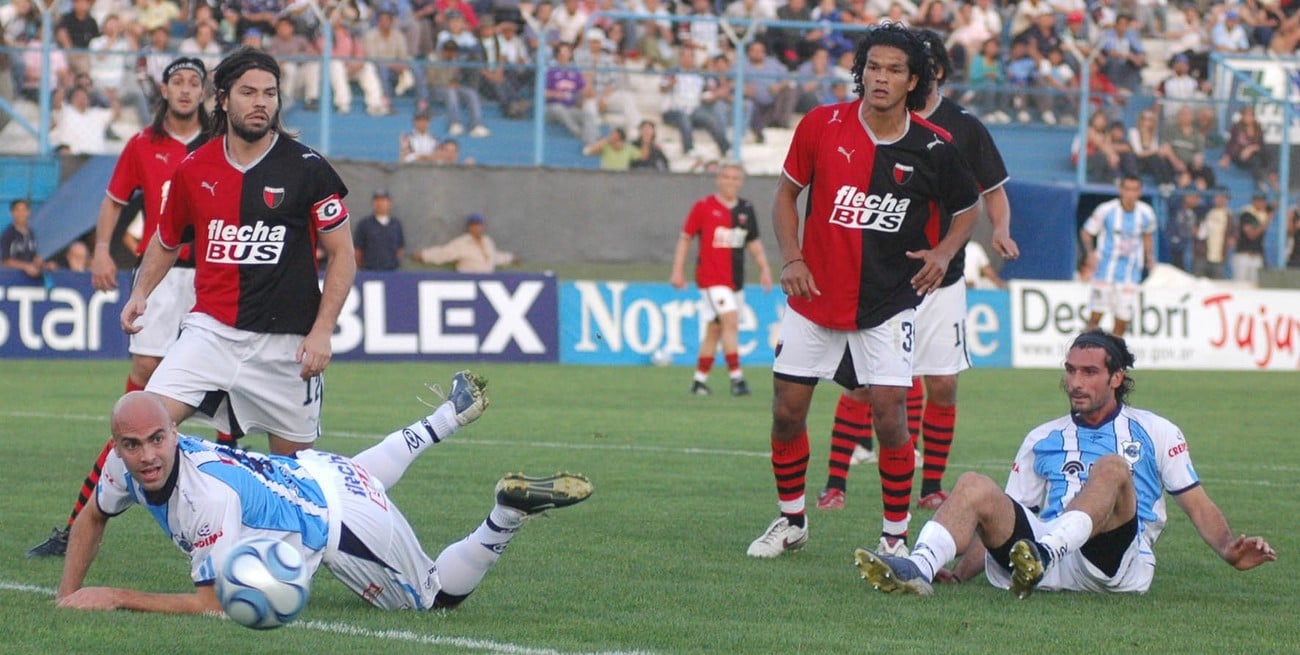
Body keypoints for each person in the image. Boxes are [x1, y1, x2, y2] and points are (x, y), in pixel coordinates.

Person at [56, 381, 594, 614]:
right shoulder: (119, 466)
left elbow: (212, 606)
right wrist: (67, 594)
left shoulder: (207, 501)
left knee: (434, 599)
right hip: (322, 470)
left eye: (157, 439)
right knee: (359, 476)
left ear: (175, 433)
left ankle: (505, 515)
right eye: (133, 445)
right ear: (117, 448)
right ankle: (446, 416)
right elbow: (90, 518)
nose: (147, 455)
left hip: (344, 523)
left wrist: (116, 595)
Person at [747, 24, 981, 559]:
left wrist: (944, 253)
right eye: (873, 66)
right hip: (814, 294)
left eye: (894, 70)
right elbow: (786, 196)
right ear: (861, 71)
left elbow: (967, 210)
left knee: (891, 416)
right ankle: (791, 522)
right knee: (786, 410)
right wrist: (792, 257)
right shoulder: (820, 124)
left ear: (913, 80)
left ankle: (894, 537)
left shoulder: (933, 146)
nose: (881, 77)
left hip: (887, 301)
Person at [855, 330, 1277, 597]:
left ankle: (1043, 552)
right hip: (1034, 560)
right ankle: (919, 568)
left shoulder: (1156, 431)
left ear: (1116, 378)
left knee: (1112, 468)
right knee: (973, 485)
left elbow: (1197, 504)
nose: (1076, 382)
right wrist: (964, 573)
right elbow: (1000, 514)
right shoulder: (1043, 437)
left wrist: (1228, 550)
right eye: (1071, 371)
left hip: (1113, 562)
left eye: (1090, 372)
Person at [815, 30, 1018, 529]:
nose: (896, 75)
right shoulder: (866, 122)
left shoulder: (962, 130)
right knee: (867, 386)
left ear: (932, 74)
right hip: (883, 280)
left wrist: (1002, 231)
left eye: (910, 65)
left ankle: (931, 488)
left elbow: (989, 191)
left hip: (941, 281)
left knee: (942, 384)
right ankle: (835, 483)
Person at [120, 47, 357, 459]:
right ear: (224, 99)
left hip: (286, 344)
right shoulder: (194, 168)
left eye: (269, 92)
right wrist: (141, 292)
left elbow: (343, 256)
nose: (261, 101)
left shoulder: (309, 168)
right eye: (248, 92)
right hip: (211, 333)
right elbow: (166, 238)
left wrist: (322, 331)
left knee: (296, 474)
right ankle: (90, 520)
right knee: (142, 428)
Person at [23, 58, 213, 561]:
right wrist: (103, 248)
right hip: (160, 274)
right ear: (165, 89)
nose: (187, 90)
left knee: (228, 398)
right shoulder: (142, 145)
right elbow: (112, 200)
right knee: (143, 391)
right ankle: (77, 525)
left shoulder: (220, 142)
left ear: (205, 91)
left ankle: (227, 523)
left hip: (215, 275)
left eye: (196, 83)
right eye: (179, 82)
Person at [669, 162, 772, 397]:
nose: (730, 182)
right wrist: (678, 271)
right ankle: (737, 379)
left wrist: (764, 268)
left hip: (735, 280)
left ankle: (698, 382)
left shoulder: (746, 209)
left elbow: (753, 242)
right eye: (726, 177)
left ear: (741, 182)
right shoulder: (704, 207)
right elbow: (685, 238)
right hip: (711, 279)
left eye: (735, 178)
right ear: (718, 180)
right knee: (731, 321)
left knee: (715, 330)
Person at [1080, 175, 1156, 338]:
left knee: (1122, 322)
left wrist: (1149, 256)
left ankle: (1113, 359)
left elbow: (1148, 235)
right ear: (1121, 190)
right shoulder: (1106, 210)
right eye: (1127, 189)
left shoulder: (1146, 213)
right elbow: (1086, 232)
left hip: (1130, 275)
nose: (1130, 194)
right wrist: (1090, 254)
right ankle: (1085, 354)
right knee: (1095, 317)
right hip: (1104, 271)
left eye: (1134, 190)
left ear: (1139, 192)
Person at [411, 213, 516, 273]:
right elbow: (444, 254)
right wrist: (424, 255)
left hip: (487, 283)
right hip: (469, 281)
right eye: (474, 225)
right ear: (469, 227)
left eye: (479, 225)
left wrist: (511, 258)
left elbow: (494, 257)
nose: (477, 228)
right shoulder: (462, 242)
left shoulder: (487, 241)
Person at [353, 189, 406, 271]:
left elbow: (400, 248)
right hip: (369, 271)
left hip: (391, 271)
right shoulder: (365, 224)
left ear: (390, 203)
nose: (380, 203)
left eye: (383, 200)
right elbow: (358, 249)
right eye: (377, 200)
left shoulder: (396, 224)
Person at [1193, 190, 1235, 280]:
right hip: (1202, 256)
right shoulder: (1203, 211)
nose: (1221, 200)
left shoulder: (1230, 216)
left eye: (1224, 198)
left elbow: (1233, 235)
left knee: (1218, 286)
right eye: (1218, 197)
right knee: (1197, 285)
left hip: (1219, 257)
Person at [1233, 193, 1272, 285]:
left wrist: (1274, 184)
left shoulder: (1263, 214)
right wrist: (1266, 222)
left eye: (1262, 201)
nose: (1261, 203)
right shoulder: (1247, 213)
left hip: (1257, 256)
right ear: (1253, 201)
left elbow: (1276, 204)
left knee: (1255, 286)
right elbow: (1251, 234)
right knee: (1240, 285)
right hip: (1244, 255)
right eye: (1258, 201)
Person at [1, 198, 43, 277]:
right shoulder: (8, 234)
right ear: (12, 213)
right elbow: (5, 261)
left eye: (24, 210)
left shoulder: (31, 233)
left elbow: (33, 256)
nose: (21, 213)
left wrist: (43, 264)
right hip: (13, 278)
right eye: (18, 210)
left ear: (29, 212)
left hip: (31, 278)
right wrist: (25, 267)